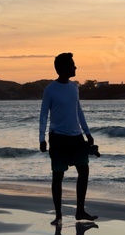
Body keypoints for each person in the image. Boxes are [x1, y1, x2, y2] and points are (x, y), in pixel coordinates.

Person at [39, 52, 97, 224]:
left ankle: (80, 211)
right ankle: (58, 215)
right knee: (58, 176)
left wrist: (87, 133)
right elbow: (43, 115)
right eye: (72, 64)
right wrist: (41, 138)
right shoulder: (50, 90)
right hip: (58, 138)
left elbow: (78, 111)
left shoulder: (74, 87)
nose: (75, 67)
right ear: (64, 68)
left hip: (76, 137)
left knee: (84, 171)